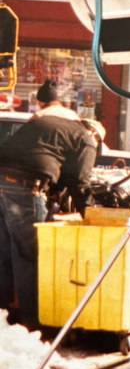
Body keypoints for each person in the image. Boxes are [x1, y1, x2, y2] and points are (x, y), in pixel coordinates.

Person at [0, 79, 97, 328]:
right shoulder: (86, 138)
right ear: (95, 134)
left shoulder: (47, 124)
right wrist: (92, 214)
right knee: (28, 256)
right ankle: (32, 324)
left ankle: (4, 319)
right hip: (23, 187)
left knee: (5, 253)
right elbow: (80, 182)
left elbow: (44, 158)